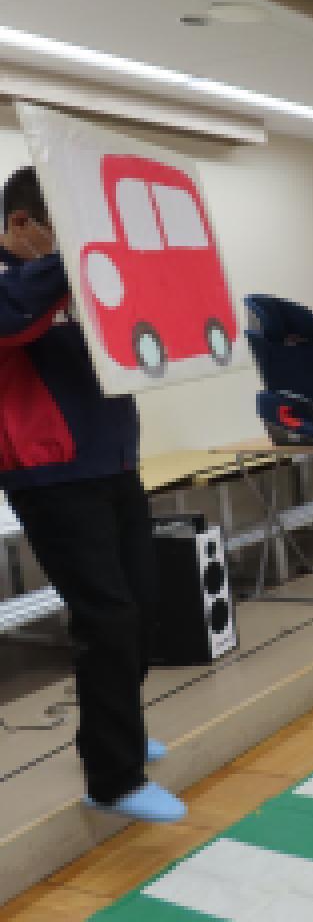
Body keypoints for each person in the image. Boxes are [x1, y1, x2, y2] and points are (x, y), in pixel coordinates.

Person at [0, 166, 184, 823]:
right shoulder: (17, 283)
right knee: (106, 618)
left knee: (142, 608)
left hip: (114, 463)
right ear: (21, 224)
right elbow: (14, 317)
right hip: (50, 476)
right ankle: (112, 779)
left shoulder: (74, 279)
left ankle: (117, 732)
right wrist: (86, 248)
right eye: (66, 229)